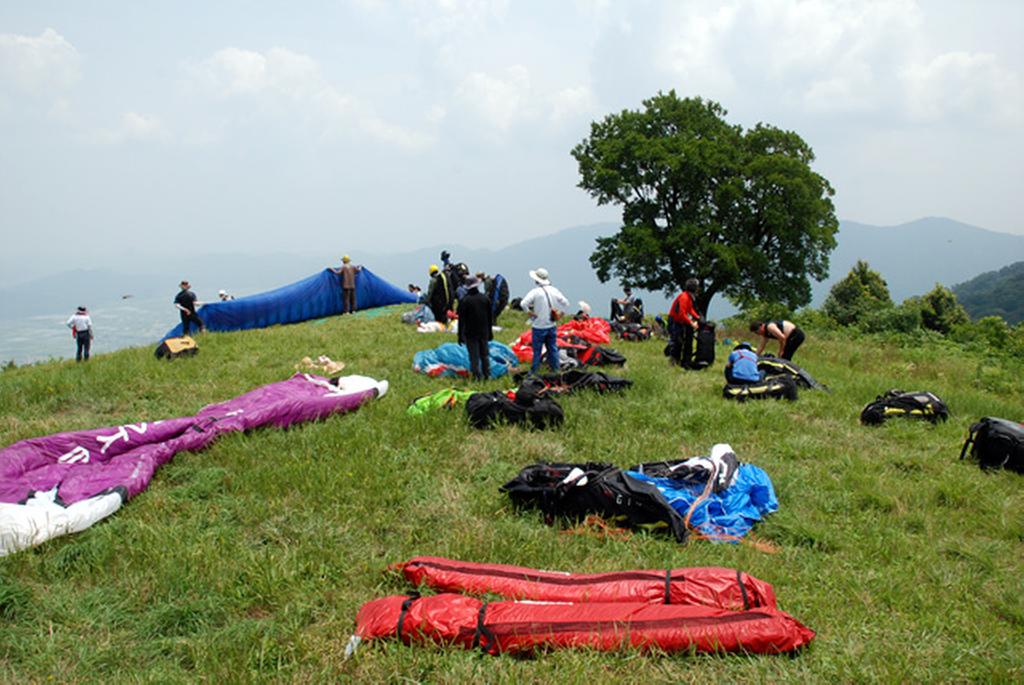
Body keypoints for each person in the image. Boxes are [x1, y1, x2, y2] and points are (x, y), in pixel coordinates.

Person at [518, 267, 570, 375]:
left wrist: (529, 312)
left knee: (537, 351)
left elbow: (523, 304)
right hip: (551, 325)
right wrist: (561, 314)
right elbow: (566, 303)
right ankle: (556, 370)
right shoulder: (554, 290)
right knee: (553, 349)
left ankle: (534, 372)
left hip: (538, 326)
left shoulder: (535, 292)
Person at [456, 276, 494, 381]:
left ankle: (477, 377)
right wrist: (490, 333)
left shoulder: (465, 301)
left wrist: (460, 336)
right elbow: (490, 318)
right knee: (485, 355)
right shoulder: (485, 299)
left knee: (474, 357)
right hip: (484, 332)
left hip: (471, 334)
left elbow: (461, 321)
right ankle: (487, 376)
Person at [668, 278, 701, 368]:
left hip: (680, 321)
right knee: (677, 342)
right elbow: (681, 314)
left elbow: (690, 309)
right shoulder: (684, 297)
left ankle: (683, 362)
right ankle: (673, 362)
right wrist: (691, 323)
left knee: (682, 341)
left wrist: (698, 317)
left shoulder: (689, 297)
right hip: (675, 320)